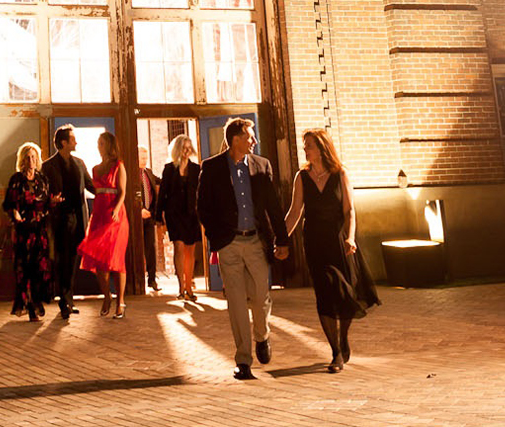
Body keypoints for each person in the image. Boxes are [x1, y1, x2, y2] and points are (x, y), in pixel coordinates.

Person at [196, 116, 289, 381]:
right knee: (236, 302)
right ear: (236, 139)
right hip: (230, 244)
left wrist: (281, 240)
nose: (254, 141)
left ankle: (262, 335)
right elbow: (203, 207)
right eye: (250, 136)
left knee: (260, 298)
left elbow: (273, 205)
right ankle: (243, 360)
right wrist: (217, 236)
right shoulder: (212, 167)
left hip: (256, 241)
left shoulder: (262, 166)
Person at [285, 127, 378, 372]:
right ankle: (335, 351)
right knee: (325, 294)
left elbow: (349, 211)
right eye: (304, 145)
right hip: (315, 242)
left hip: (340, 242)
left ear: (322, 148)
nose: (305, 149)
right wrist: (280, 240)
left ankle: (343, 337)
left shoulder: (340, 174)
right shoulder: (301, 177)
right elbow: (295, 213)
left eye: (309, 145)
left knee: (345, 292)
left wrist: (350, 237)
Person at [42, 123, 94, 319]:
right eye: (73, 139)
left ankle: (68, 300)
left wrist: (108, 196)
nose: (76, 142)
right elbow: (43, 194)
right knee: (62, 260)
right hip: (59, 219)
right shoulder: (48, 166)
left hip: (78, 218)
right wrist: (50, 201)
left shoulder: (79, 163)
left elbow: (90, 185)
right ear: (63, 143)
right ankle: (63, 301)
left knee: (72, 260)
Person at [77, 129, 129, 317]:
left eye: (101, 143)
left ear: (108, 145)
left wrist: (116, 209)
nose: (98, 147)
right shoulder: (95, 168)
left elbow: (123, 191)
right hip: (99, 213)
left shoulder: (118, 165)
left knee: (116, 259)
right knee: (99, 260)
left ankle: (121, 301)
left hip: (115, 216)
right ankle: (107, 295)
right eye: (97, 143)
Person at [2, 141, 53, 321]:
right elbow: (9, 204)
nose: (31, 160)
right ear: (23, 160)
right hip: (24, 231)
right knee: (26, 270)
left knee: (40, 269)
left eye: (34, 157)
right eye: (28, 157)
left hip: (40, 231)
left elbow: (47, 203)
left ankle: (37, 301)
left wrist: (53, 203)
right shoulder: (16, 180)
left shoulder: (42, 180)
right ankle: (31, 306)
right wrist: (15, 214)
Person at [155, 133, 201, 300]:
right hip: (174, 214)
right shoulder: (169, 169)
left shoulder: (196, 169)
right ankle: (181, 287)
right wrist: (158, 216)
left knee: (190, 250)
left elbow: (200, 193)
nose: (187, 151)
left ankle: (189, 286)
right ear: (177, 149)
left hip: (191, 214)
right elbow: (163, 194)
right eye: (184, 148)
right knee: (179, 247)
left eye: (189, 148)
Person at [138, 146, 161, 291]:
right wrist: (139, 210)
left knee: (151, 249)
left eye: (146, 158)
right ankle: (138, 281)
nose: (145, 161)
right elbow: (131, 193)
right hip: (137, 218)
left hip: (150, 217)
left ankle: (152, 280)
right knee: (138, 250)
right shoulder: (133, 174)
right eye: (142, 158)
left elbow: (160, 183)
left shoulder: (149, 173)